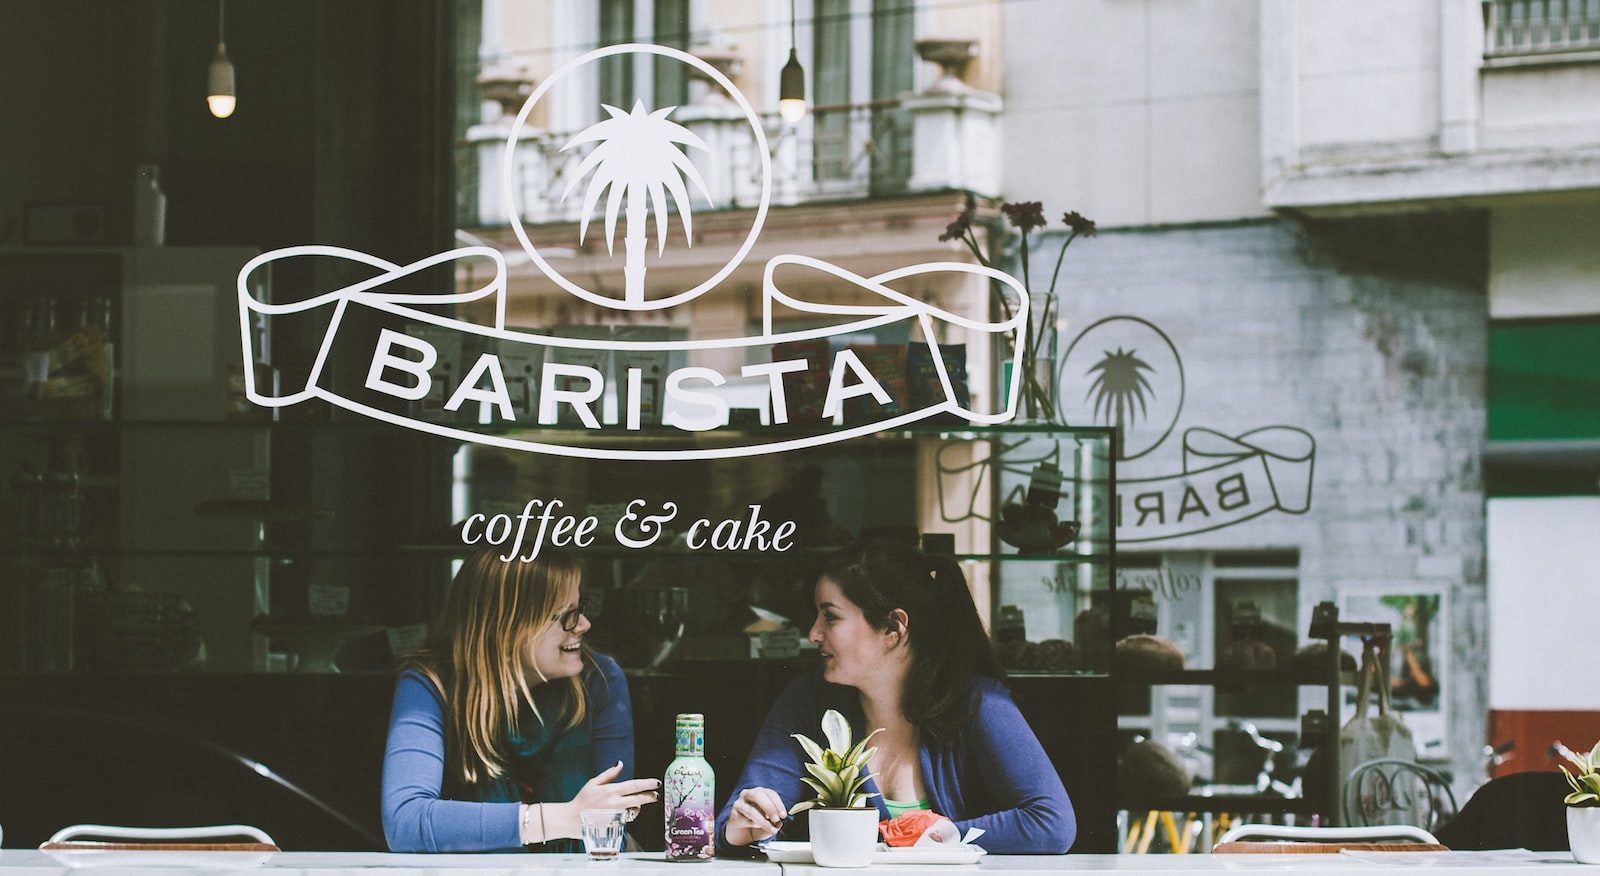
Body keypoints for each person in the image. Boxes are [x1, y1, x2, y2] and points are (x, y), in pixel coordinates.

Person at [715, 540, 1075, 855]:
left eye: (830, 617)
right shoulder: (806, 703)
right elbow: (737, 821)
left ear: (893, 628)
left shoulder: (978, 702)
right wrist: (740, 829)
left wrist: (953, 837)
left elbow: (1052, 822)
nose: (813, 633)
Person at [381, 548, 659, 852]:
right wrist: (558, 819)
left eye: (581, 608)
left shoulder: (599, 680)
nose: (583, 625)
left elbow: (611, 820)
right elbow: (405, 822)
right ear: (509, 626)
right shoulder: (431, 685)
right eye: (567, 616)